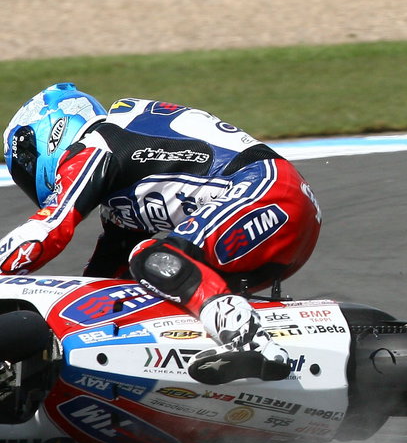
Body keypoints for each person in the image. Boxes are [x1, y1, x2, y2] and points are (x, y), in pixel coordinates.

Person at [0, 86, 322, 385]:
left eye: (27, 164)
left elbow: (50, 229)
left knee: (151, 256)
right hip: (286, 208)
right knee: (152, 280)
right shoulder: (122, 190)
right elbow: (98, 287)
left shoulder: (97, 144)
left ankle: (248, 338)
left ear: (49, 135)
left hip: (266, 193)